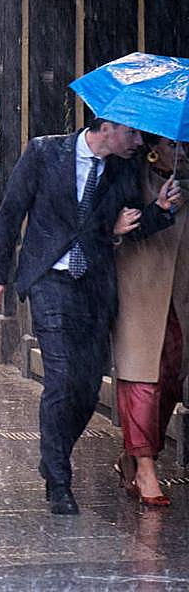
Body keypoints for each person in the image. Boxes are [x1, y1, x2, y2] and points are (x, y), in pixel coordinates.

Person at [0, 118, 182, 515]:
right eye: (132, 134)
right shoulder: (44, 151)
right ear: (107, 128)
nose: (138, 142)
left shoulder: (124, 168)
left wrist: (158, 211)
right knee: (62, 377)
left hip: (95, 284)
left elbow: (130, 227)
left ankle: (54, 449)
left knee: (88, 388)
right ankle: (59, 479)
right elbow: (10, 212)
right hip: (50, 280)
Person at [112, 134, 188, 507]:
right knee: (142, 376)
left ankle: (139, 454)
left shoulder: (185, 181)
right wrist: (157, 207)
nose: (182, 152)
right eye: (175, 146)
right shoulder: (128, 175)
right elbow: (115, 226)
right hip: (139, 288)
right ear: (156, 146)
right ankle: (145, 468)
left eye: (185, 146)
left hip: (177, 293)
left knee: (172, 374)